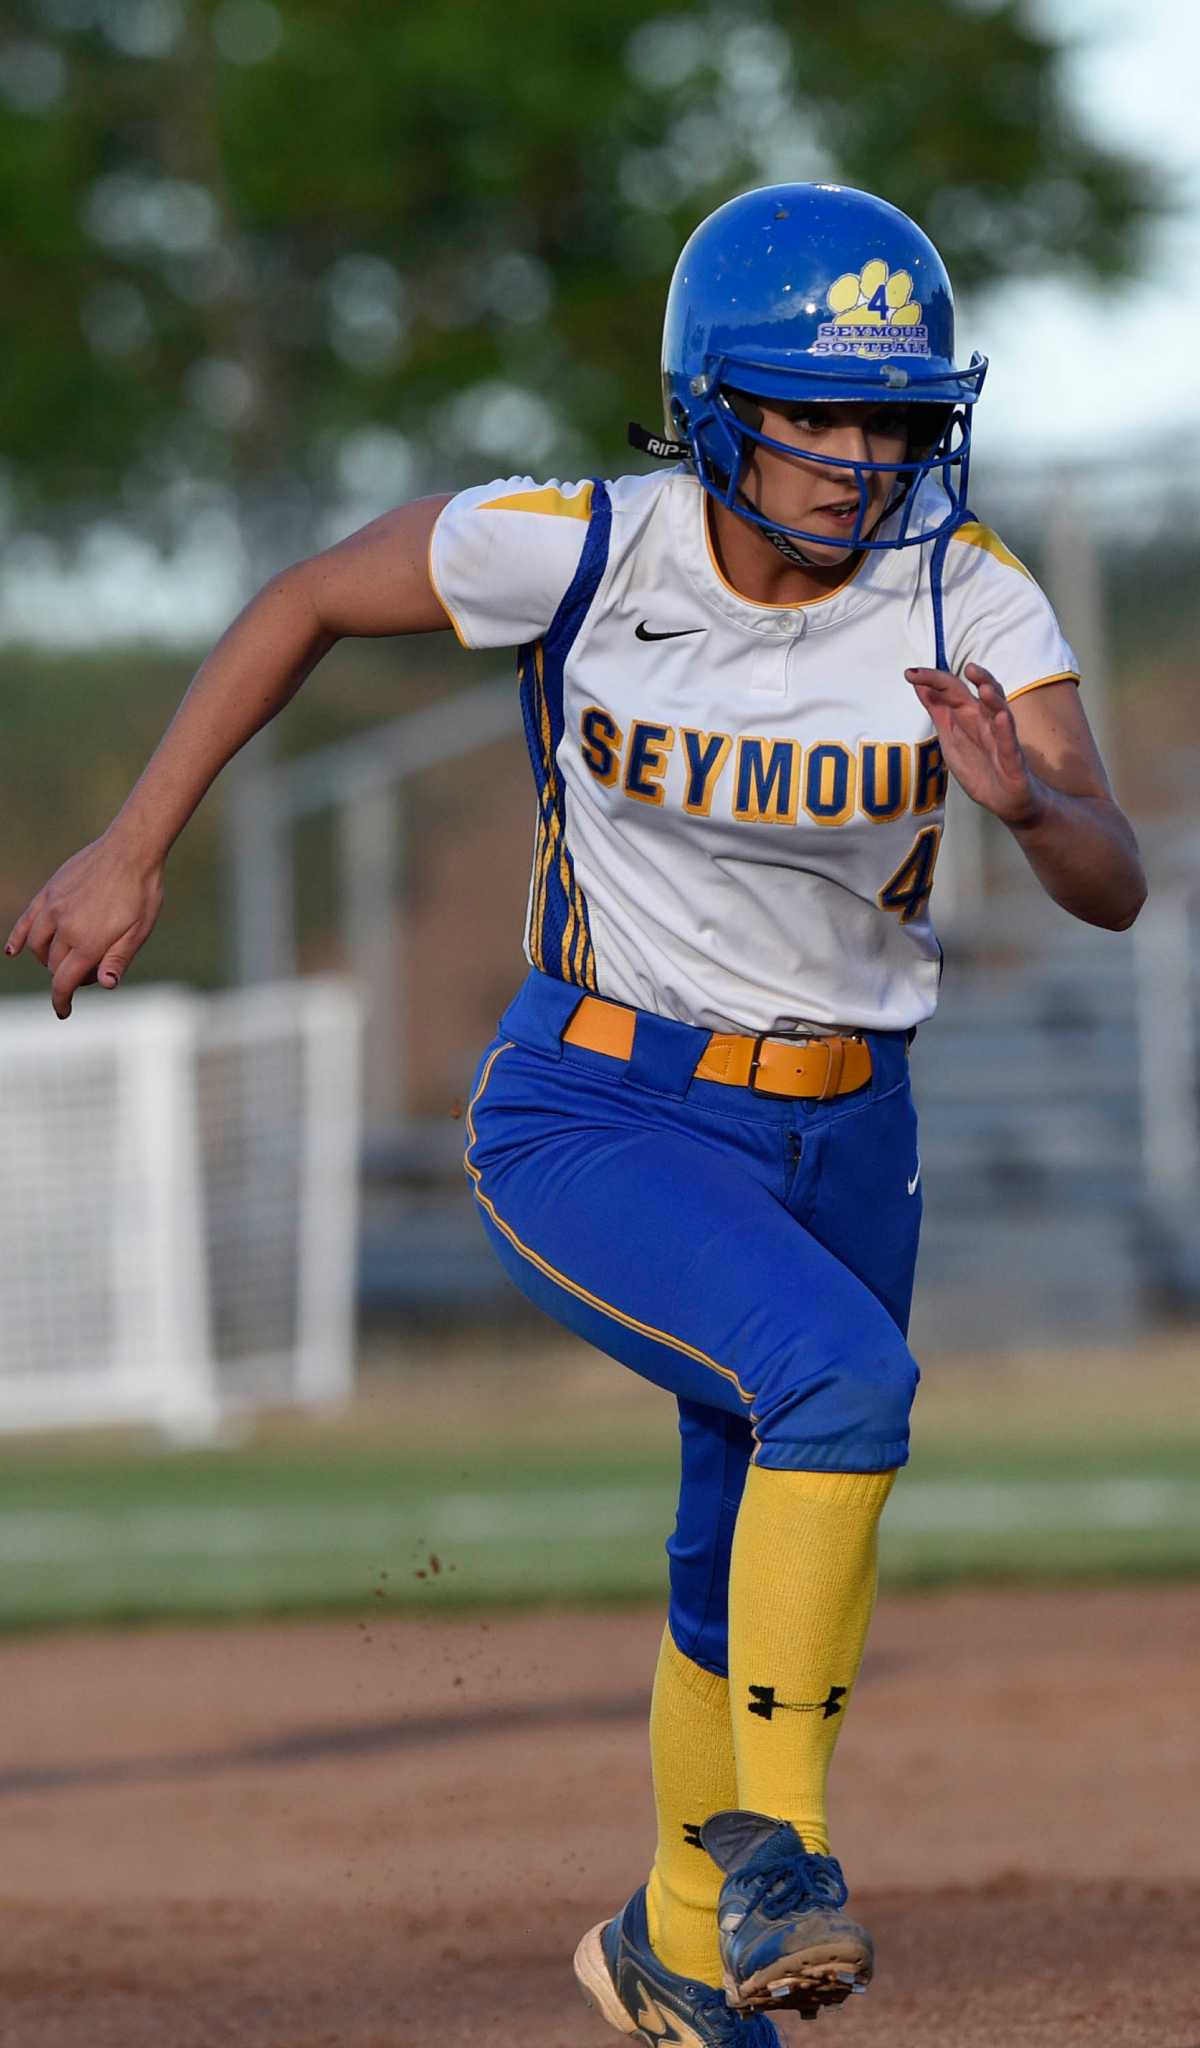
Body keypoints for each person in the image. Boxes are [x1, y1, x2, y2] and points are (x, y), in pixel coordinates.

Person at [5, 183, 1145, 2046]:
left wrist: (1028, 805)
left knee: (737, 1523)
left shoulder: (968, 587)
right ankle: (778, 1856)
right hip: (603, 1109)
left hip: (858, 1121)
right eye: (816, 411)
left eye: (895, 418)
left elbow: (1111, 879)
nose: (862, 457)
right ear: (710, 402)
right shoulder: (586, 550)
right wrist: (133, 845)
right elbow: (304, 596)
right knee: (840, 1386)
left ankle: (671, 1955)